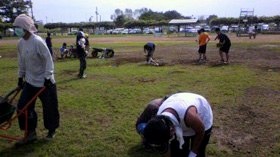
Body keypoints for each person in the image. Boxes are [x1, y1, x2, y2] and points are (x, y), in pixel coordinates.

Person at [13, 14, 60, 145]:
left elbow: (48, 60)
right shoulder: (20, 43)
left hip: (45, 82)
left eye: (17, 27)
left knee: (49, 107)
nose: (16, 30)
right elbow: (21, 62)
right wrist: (20, 77)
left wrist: (47, 77)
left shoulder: (38, 41)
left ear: (25, 27)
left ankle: (51, 130)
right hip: (30, 81)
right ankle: (30, 132)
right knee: (23, 107)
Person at [143, 92, 213, 157]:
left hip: (201, 116)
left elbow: (200, 131)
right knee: (179, 152)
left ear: (172, 130)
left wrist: (193, 153)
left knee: (199, 152)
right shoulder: (159, 119)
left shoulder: (190, 116)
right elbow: (166, 150)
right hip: (178, 110)